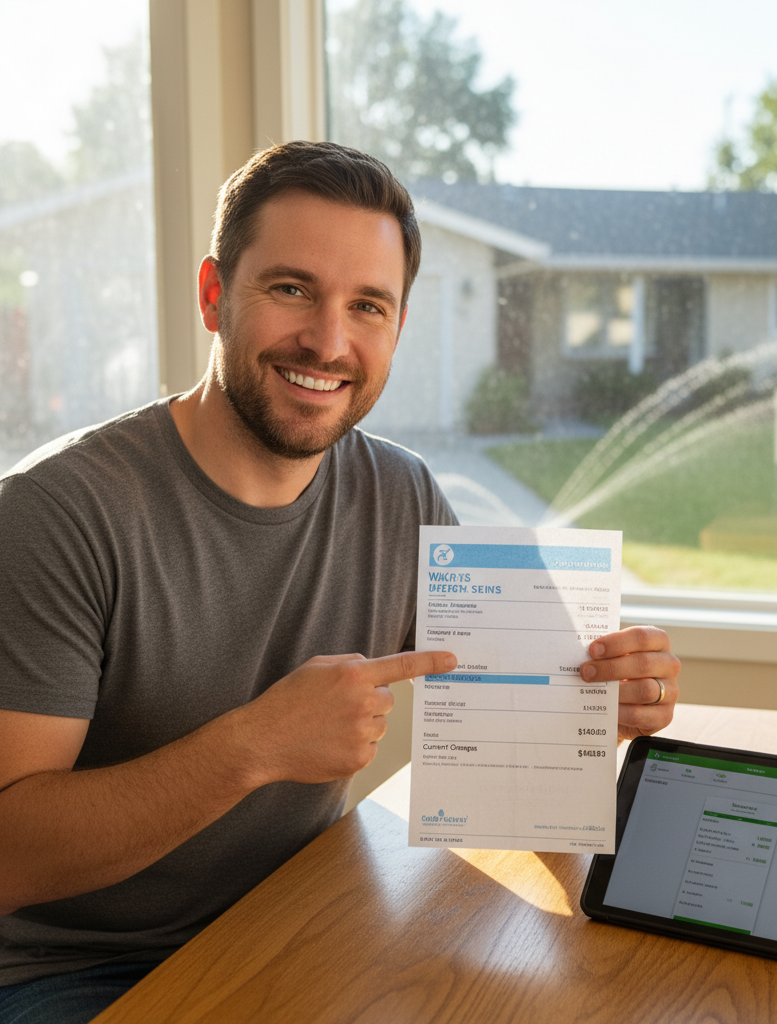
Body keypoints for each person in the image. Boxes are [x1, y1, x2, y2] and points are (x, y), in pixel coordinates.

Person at [0, 141, 681, 1023]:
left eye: (367, 305)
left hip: (299, 921)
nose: (328, 341)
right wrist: (253, 748)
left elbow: (512, 755)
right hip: (68, 973)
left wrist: (589, 715)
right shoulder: (55, 514)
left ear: (397, 326)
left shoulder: (402, 496)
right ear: (213, 295)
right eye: (291, 289)